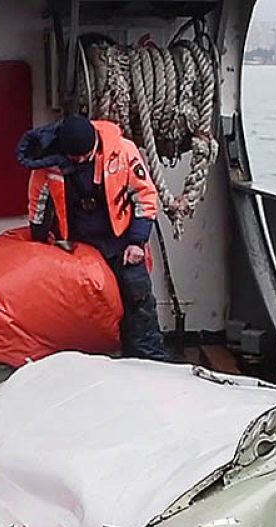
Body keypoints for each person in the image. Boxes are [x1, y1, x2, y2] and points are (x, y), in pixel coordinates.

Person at [18, 114, 170, 361]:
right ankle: (88, 359)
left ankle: (149, 359)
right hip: (77, 243)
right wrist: (38, 239)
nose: (79, 161)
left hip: (121, 240)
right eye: (74, 158)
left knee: (138, 296)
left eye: (84, 157)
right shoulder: (48, 163)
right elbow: (39, 202)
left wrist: (137, 241)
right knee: (79, 304)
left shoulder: (123, 151)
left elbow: (144, 195)